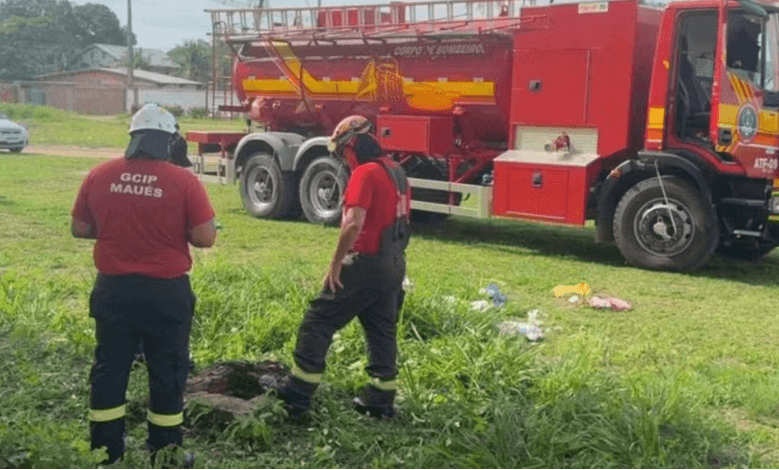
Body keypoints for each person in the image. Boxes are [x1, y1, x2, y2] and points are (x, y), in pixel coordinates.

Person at [71, 103, 217, 466]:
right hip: (165, 294)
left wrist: (118, 229)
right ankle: (164, 452)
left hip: (113, 290)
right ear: (168, 141)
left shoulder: (100, 174)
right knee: (167, 369)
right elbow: (205, 238)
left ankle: (105, 451)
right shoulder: (184, 181)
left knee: (110, 367)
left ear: (133, 137)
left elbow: (80, 228)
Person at [276, 115, 411, 420]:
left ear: (351, 147)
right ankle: (380, 400)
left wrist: (335, 265)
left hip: (365, 263)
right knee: (381, 331)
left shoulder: (364, 173)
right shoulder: (397, 171)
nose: (343, 160)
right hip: (394, 263)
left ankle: (297, 394)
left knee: (318, 321)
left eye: (341, 153)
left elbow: (352, 224)